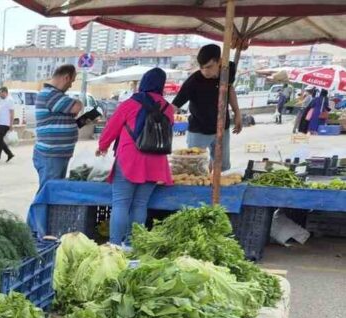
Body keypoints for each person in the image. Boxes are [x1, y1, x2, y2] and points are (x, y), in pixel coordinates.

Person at [96, 68, 175, 248]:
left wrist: (102, 147)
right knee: (140, 204)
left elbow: (111, 128)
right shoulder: (168, 108)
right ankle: (132, 245)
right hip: (156, 161)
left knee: (121, 203)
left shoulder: (130, 103)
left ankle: (115, 246)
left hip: (130, 160)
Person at [27, 64, 83, 237]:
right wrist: (78, 103)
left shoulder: (57, 97)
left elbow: (64, 118)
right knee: (47, 192)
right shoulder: (50, 94)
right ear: (65, 77)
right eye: (72, 81)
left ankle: (40, 229)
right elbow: (76, 107)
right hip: (50, 155)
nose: (71, 85)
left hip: (57, 155)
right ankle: (35, 230)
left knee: (50, 191)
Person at [172, 44, 242, 172]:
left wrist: (237, 112)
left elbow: (229, 88)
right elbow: (174, 105)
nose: (205, 72)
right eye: (202, 68)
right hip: (199, 130)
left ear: (220, 62)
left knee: (222, 167)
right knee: (194, 168)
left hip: (222, 128)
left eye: (209, 67)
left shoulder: (229, 69)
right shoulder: (193, 81)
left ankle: (212, 181)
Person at [0, 87, 15, 164]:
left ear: (5, 92)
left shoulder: (10, 100)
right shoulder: (3, 100)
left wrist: (11, 125)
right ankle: (9, 154)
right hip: (1, 123)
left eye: (0, 93)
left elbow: (12, 113)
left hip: (5, 124)